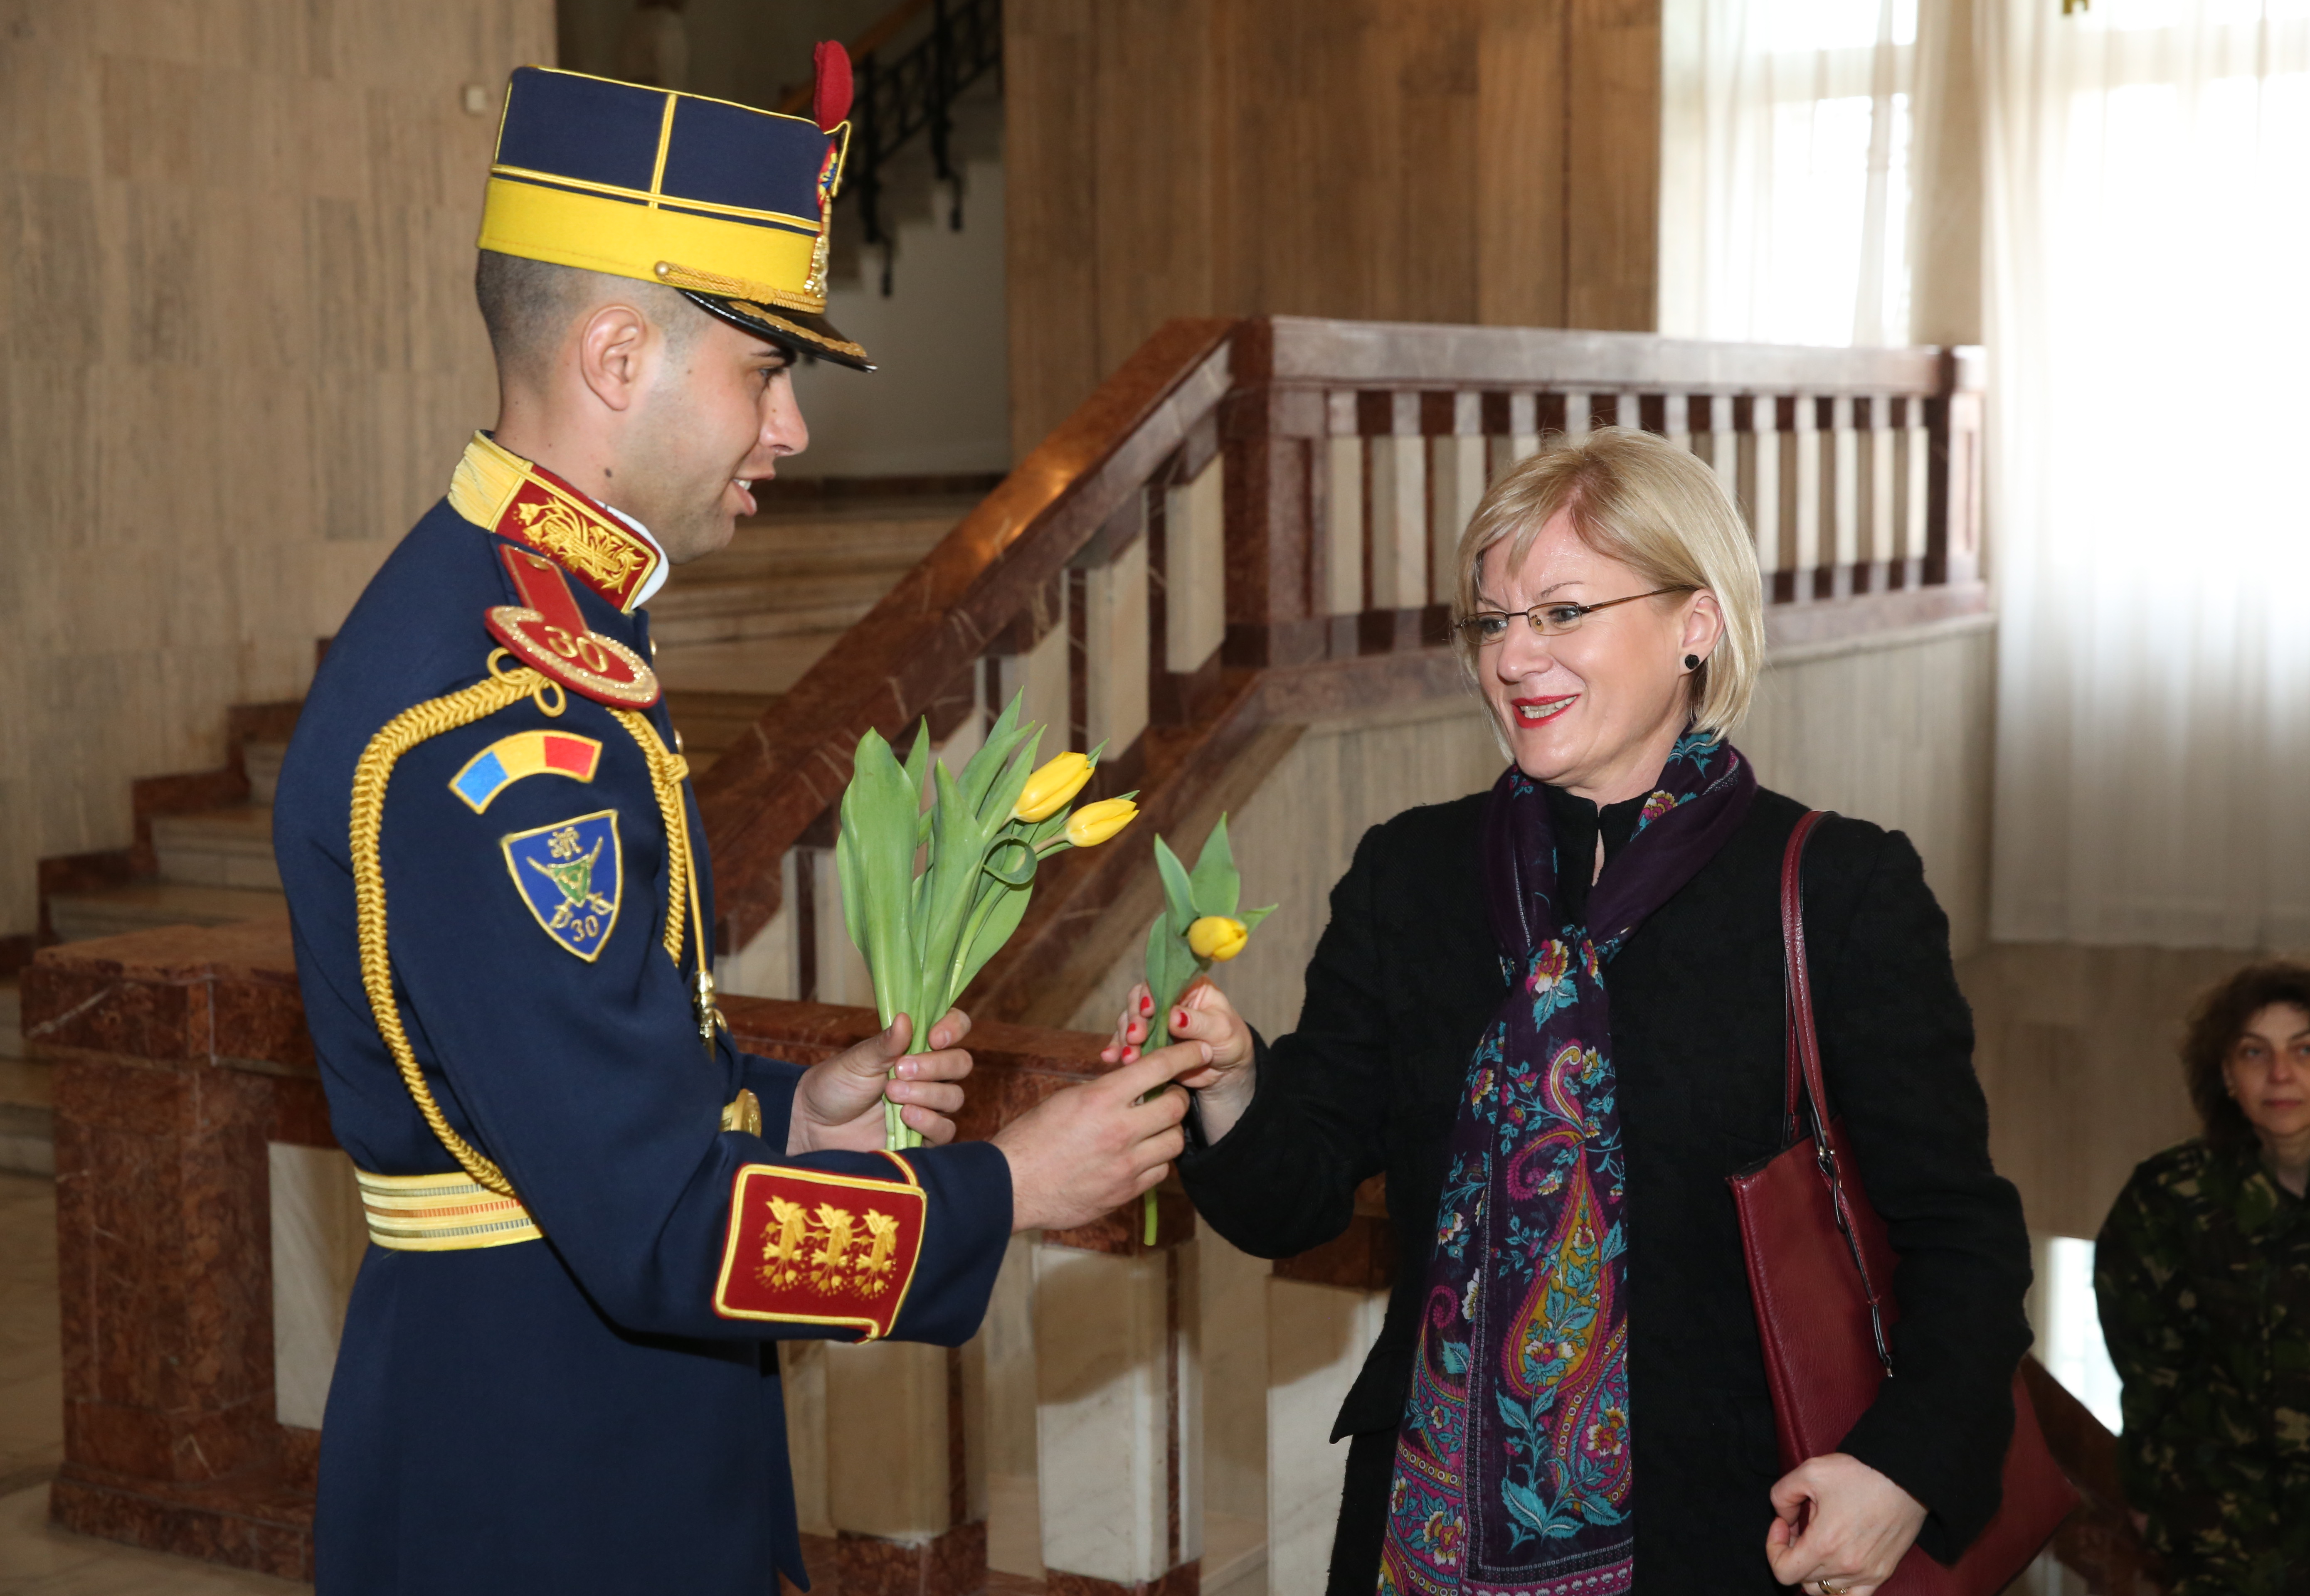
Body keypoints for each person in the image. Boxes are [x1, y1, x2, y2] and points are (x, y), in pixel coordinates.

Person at [273, 63, 1190, 1595]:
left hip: (584, 1433)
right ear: (618, 355)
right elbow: (657, 1231)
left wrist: (785, 1115)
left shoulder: (528, 623)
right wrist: (1014, 1189)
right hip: (540, 1487)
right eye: (764, 373)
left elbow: (566, 1085)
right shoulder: (498, 723)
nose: (793, 430)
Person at [1101, 430, 2034, 1596]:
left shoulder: (1832, 889)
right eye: (1493, 623)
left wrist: (1899, 1470)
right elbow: (1295, 1199)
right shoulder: (1413, 876)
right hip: (1428, 1537)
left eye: (1563, 613)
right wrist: (1232, 1084)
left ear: (1697, 623)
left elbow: (1963, 1236)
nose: (1516, 659)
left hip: (1734, 1535)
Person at [2094, 961, 2310, 1593]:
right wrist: (2151, 1497)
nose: (2281, 1074)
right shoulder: (2167, 1199)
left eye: (2305, 1050)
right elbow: (2150, 1373)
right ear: (2226, 1075)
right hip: (2225, 1529)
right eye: (2254, 1052)